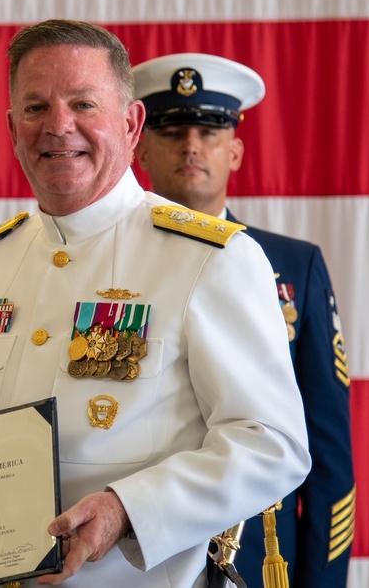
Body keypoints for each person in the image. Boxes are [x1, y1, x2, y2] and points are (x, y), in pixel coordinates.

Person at [0, 20, 310, 587]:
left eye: (83, 103)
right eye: (35, 107)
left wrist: (128, 509)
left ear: (130, 122)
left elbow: (272, 444)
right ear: (11, 127)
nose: (58, 126)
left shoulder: (210, 257)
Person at [132, 52, 355, 587]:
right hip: (129, 555)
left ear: (235, 150)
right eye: (172, 130)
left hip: (256, 558)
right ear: (140, 148)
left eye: (209, 131)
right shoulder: (109, 265)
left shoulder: (294, 265)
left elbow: (327, 448)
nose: (191, 144)